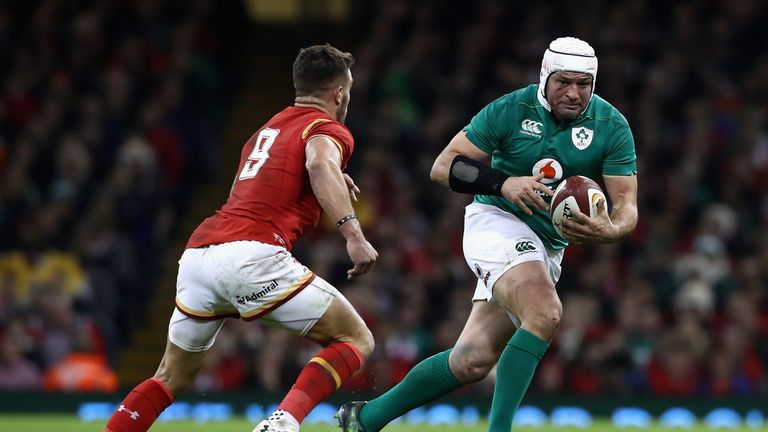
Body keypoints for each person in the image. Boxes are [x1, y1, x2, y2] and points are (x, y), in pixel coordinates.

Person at [337, 36, 638, 432]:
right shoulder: (511, 109)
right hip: (495, 220)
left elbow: (627, 204)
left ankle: (364, 419)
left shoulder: (610, 124)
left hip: (546, 245)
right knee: (544, 313)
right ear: (545, 77)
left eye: (583, 84)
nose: (573, 92)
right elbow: (443, 167)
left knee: (472, 360)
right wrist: (504, 184)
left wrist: (611, 229)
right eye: (564, 81)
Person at [104, 43, 378, 432]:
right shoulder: (328, 128)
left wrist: (330, 173)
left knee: (169, 377)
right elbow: (318, 162)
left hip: (200, 255)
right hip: (252, 254)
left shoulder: (264, 131)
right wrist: (353, 233)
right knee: (355, 338)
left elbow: (253, 187)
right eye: (348, 90)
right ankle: (285, 422)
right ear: (338, 93)